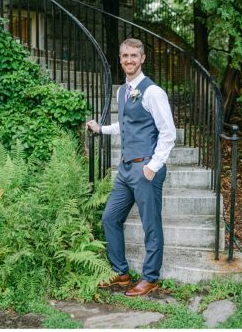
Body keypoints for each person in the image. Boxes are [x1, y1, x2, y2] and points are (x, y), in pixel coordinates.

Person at [86, 38, 176, 297]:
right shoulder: (122, 91)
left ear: (143, 58)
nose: (129, 60)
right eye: (125, 55)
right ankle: (121, 272)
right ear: (120, 57)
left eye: (134, 56)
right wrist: (100, 129)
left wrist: (153, 166)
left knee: (151, 225)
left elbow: (168, 133)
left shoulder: (152, 92)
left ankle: (150, 277)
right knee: (110, 218)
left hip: (146, 169)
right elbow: (124, 126)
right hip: (125, 170)